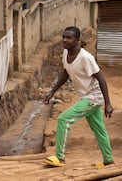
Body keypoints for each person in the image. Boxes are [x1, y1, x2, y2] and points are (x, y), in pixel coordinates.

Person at [43, 26, 114, 168]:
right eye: (63, 37)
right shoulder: (65, 53)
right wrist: (52, 92)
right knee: (99, 129)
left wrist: (108, 103)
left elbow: (101, 79)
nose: (64, 40)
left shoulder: (86, 58)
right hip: (85, 96)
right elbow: (65, 74)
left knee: (64, 119)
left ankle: (60, 157)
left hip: (93, 97)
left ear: (77, 40)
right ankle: (108, 160)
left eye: (69, 37)